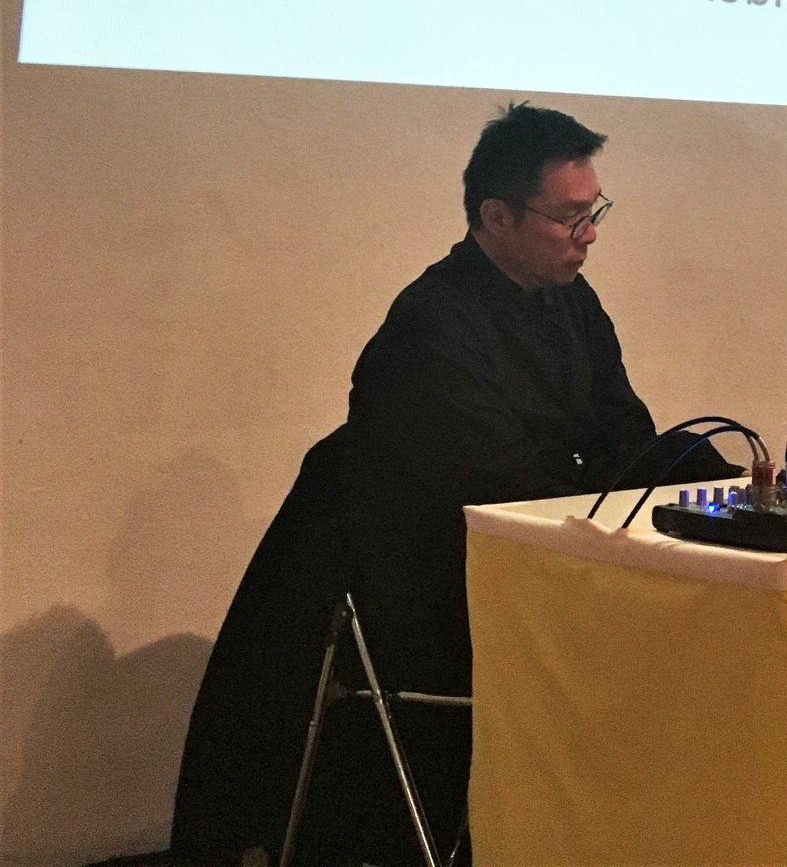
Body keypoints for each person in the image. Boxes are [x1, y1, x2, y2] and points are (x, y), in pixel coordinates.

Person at [173, 102, 724, 865]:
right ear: (495, 216)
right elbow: (502, 496)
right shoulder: (431, 329)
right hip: (443, 600)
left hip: (539, 569)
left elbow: (625, 436)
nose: (589, 234)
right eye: (570, 217)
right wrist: (609, 478)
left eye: (594, 211)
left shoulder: (572, 302)